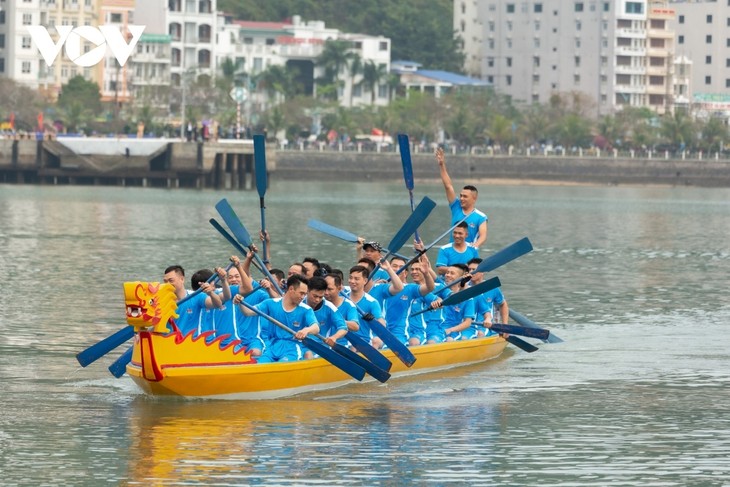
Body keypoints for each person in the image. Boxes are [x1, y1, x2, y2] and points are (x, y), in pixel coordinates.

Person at [235, 274, 319, 363]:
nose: (303, 297)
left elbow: (316, 327)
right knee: (260, 366)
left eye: (305, 294)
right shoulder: (270, 303)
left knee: (282, 365)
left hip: (292, 347)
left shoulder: (306, 309)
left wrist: (306, 330)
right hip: (272, 347)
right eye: (301, 293)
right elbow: (248, 312)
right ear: (291, 289)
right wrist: (241, 302)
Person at [371, 255, 435, 346]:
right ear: (387, 268)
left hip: (399, 334)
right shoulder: (379, 287)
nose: (398, 269)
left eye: (401, 267)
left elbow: (430, 288)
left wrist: (426, 274)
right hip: (380, 332)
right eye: (394, 266)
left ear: (405, 273)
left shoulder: (410, 289)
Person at [436, 146, 488, 249]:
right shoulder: (456, 207)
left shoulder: (481, 217)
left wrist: (475, 245)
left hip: (469, 254)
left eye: (465, 196)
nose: (461, 198)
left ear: (474, 198)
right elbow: (448, 186)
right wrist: (442, 165)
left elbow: (483, 236)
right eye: (461, 196)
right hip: (453, 251)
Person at [163, 265, 225, 337]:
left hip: (191, 344)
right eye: (165, 281)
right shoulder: (161, 300)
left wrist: (210, 293)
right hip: (168, 344)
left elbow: (218, 304)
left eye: (171, 280)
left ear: (182, 279)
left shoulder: (196, 296)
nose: (167, 284)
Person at [426, 264, 475, 343]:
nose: (448, 275)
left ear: (460, 277)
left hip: (453, 331)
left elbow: (467, 323)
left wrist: (450, 330)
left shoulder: (468, 298)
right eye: (447, 272)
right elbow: (429, 271)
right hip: (435, 328)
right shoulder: (441, 288)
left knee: (448, 340)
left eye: (452, 273)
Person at [304, 276, 348, 357]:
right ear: (307, 291)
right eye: (315, 296)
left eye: (320, 297)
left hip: (321, 346)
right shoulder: (299, 303)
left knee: (308, 355)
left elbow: (343, 328)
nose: (317, 300)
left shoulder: (329, 307)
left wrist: (334, 337)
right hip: (300, 344)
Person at [466, 258, 509, 338]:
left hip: (485, 325)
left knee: (480, 334)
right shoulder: (463, 288)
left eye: (474, 270)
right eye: (469, 269)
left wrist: (505, 326)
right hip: (468, 325)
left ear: (483, 272)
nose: (471, 272)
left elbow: (503, 304)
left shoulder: (492, 287)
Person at [347, 265, 385, 345]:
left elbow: (382, 324)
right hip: (343, 340)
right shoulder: (341, 298)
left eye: (356, 279)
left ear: (365, 281)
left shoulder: (372, 302)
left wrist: (373, 320)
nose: (352, 281)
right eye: (350, 278)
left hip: (364, 342)